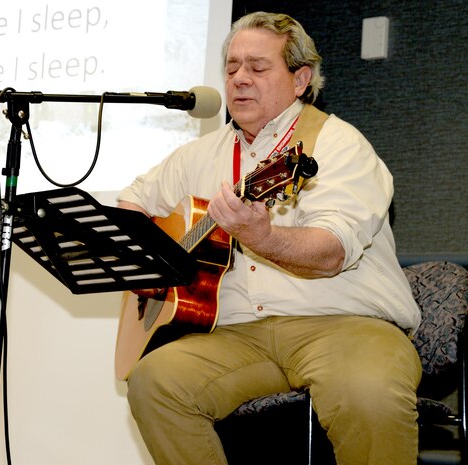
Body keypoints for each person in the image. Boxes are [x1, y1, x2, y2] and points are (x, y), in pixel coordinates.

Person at [115, 11, 422, 465]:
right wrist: (159, 268)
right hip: (237, 336)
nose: (240, 79)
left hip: (343, 323)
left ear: (300, 80)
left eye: (258, 68)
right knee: (155, 382)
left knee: (368, 393)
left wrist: (262, 236)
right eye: (232, 67)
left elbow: (332, 252)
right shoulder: (200, 154)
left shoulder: (337, 144)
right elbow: (132, 205)